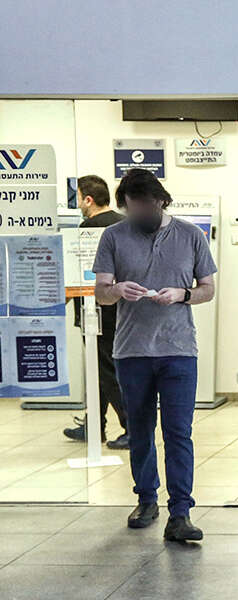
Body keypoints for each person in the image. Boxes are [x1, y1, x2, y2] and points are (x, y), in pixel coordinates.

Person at [93, 169, 217, 541]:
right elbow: (101, 293)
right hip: (132, 352)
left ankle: (180, 513)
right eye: (132, 209)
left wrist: (182, 295)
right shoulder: (113, 236)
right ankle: (146, 499)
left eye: (144, 208)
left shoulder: (190, 236)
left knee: (178, 432)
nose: (139, 215)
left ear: (160, 201)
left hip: (179, 351)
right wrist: (117, 290)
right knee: (140, 430)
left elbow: (208, 289)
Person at [64, 175, 129, 449]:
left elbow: (78, 272)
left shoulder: (87, 228)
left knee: (106, 369)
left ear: (88, 200)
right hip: (120, 308)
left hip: (96, 311)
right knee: (101, 368)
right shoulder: (123, 223)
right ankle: (94, 426)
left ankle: (131, 427)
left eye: (78, 198)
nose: (77, 204)